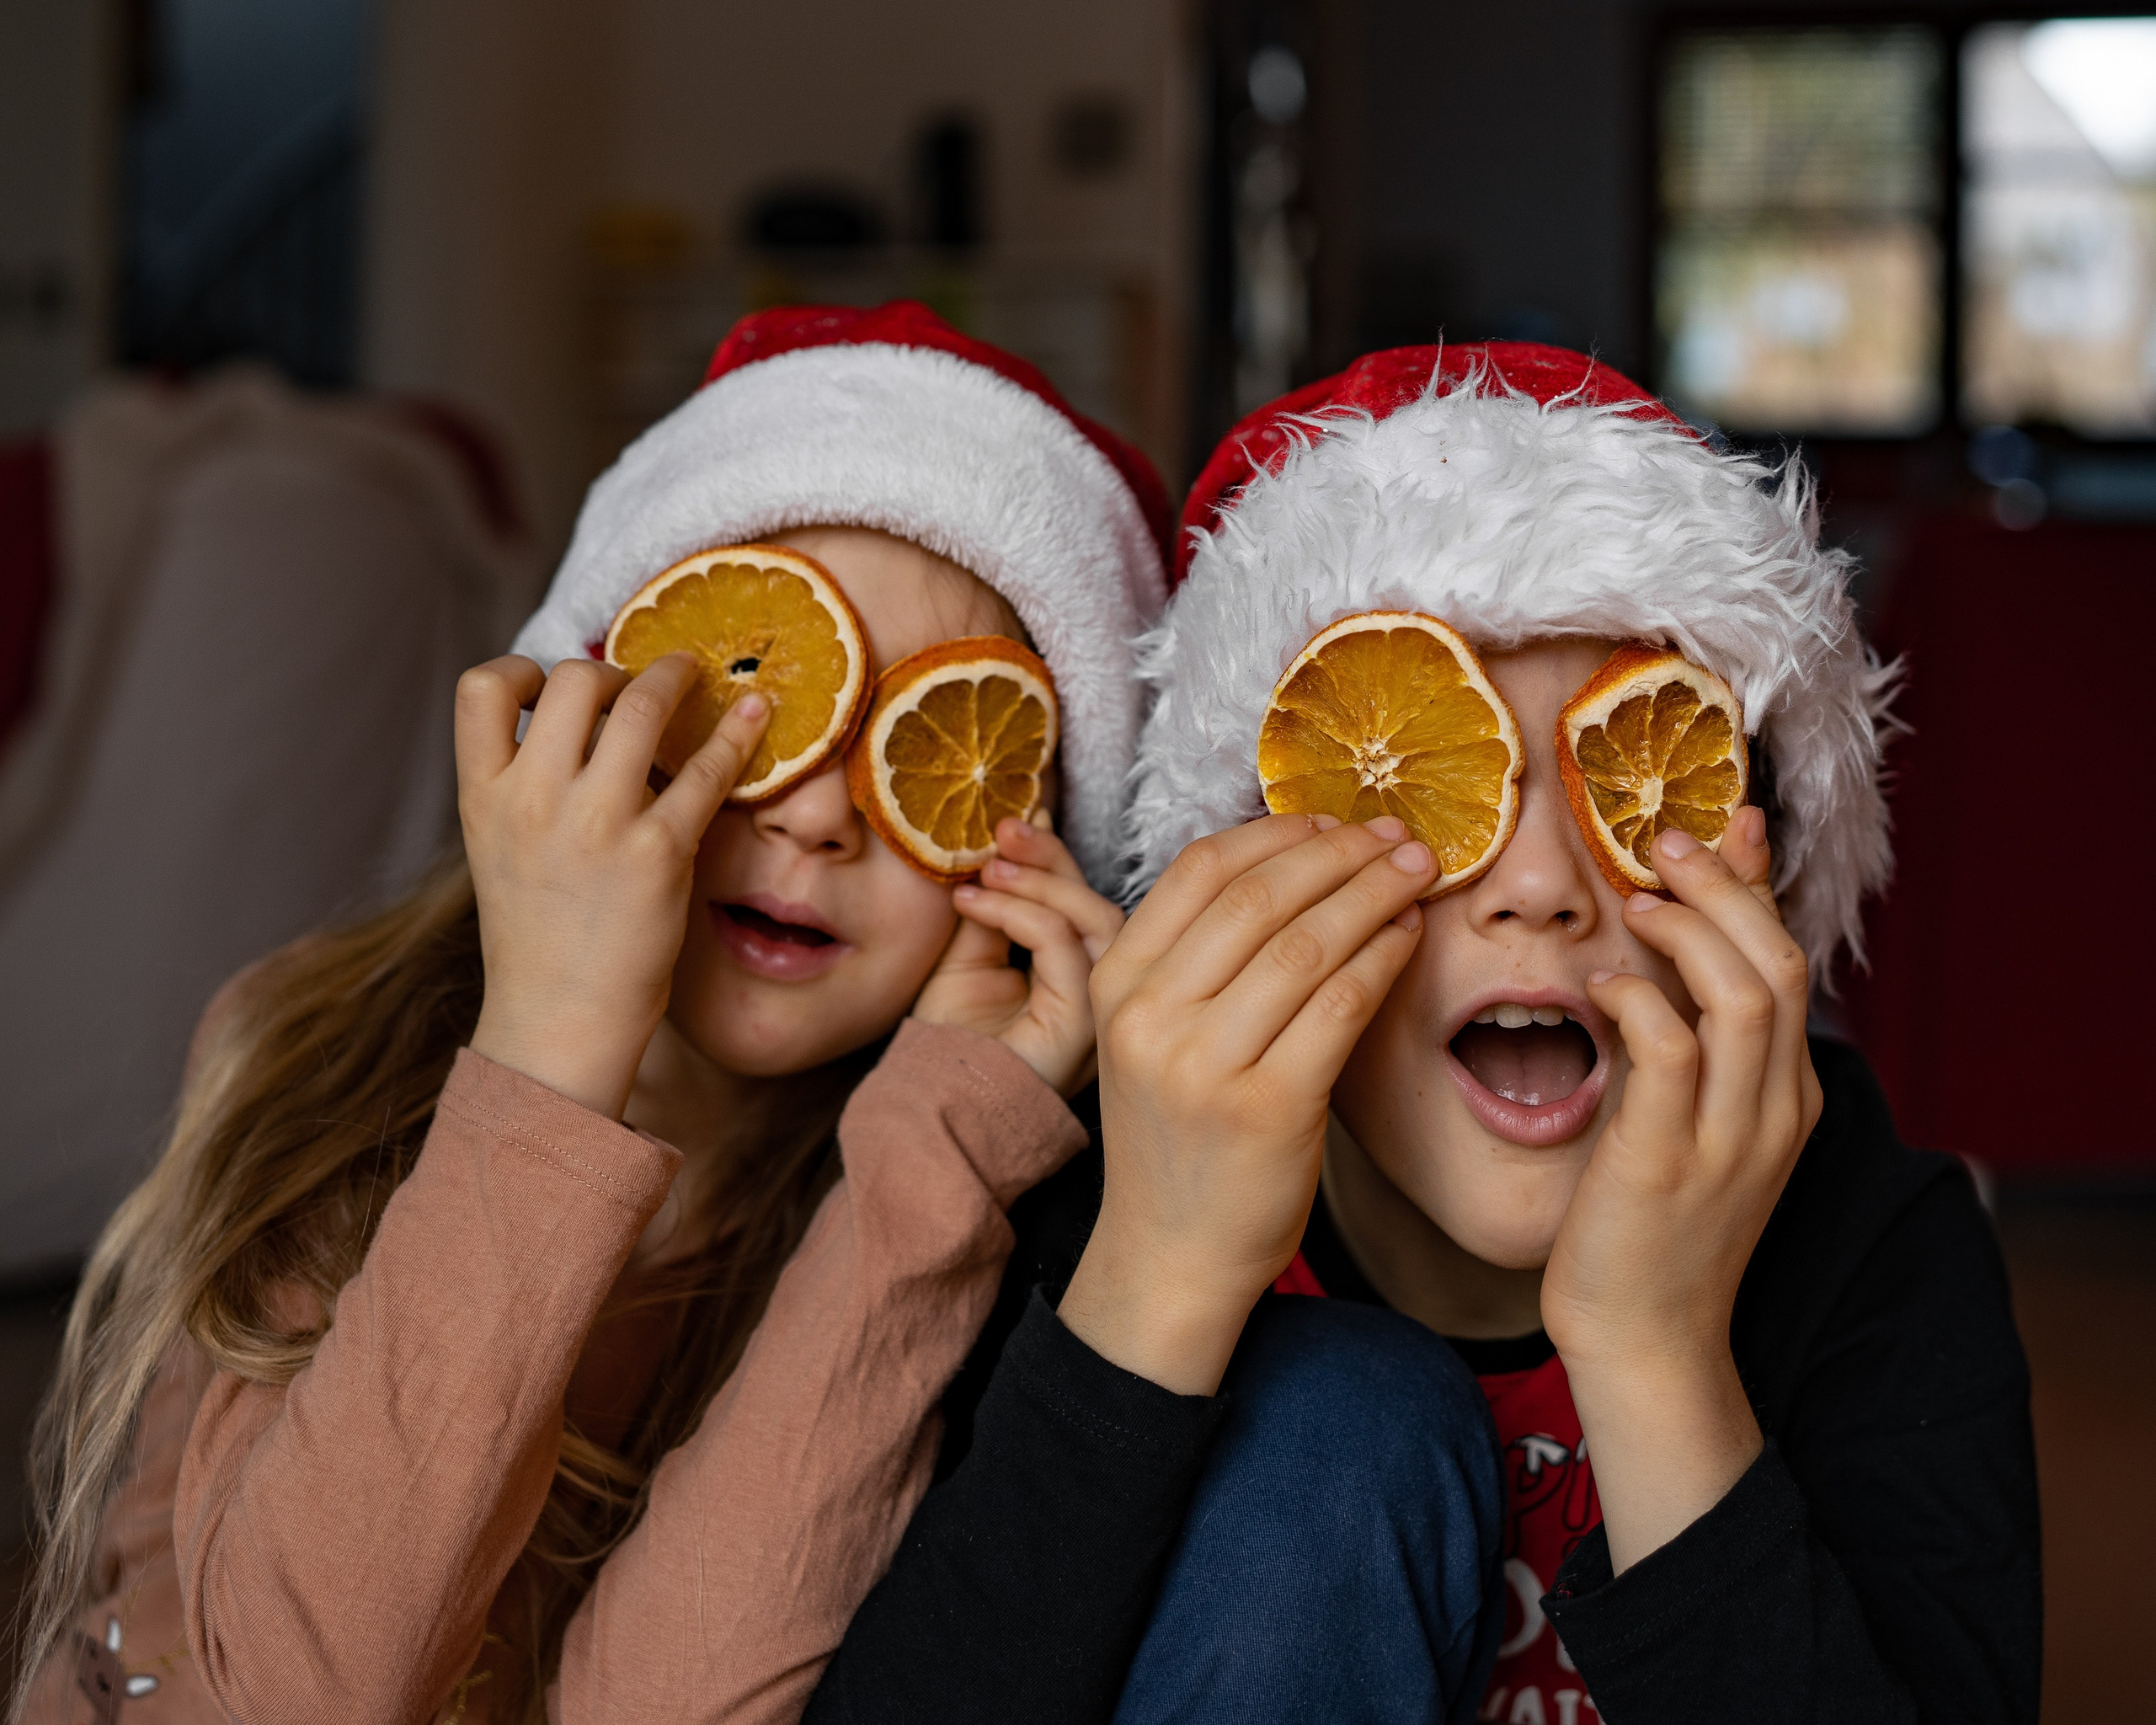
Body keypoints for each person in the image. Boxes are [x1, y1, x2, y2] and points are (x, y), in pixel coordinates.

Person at [807, 345, 2040, 1724]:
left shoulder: (1875, 1245)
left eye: (1633, 790)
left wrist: (1652, 1354)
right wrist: (1154, 1279)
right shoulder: (1095, 1202)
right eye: (1420, 794)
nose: (1538, 887)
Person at [12, 302, 1171, 1725]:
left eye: (930, 747)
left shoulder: (964, 1199)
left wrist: (930, 1168)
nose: (814, 814)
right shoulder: (319, 1044)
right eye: (756, 694)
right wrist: (546, 1052)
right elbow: (296, 1695)